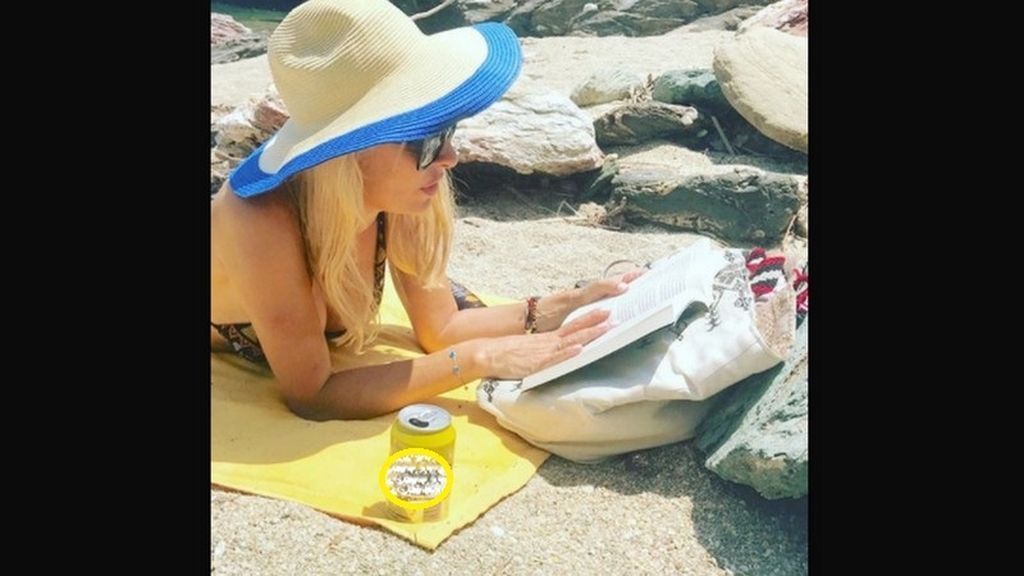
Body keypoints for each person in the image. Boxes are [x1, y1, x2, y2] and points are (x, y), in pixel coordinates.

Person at [211, 0, 643, 421]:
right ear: (350, 151)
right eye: (428, 138)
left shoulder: (398, 189)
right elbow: (313, 393)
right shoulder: (260, 218)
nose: (450, 156)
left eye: (446, 129)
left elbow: (442, 327)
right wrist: (479, 357)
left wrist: (571, 303)